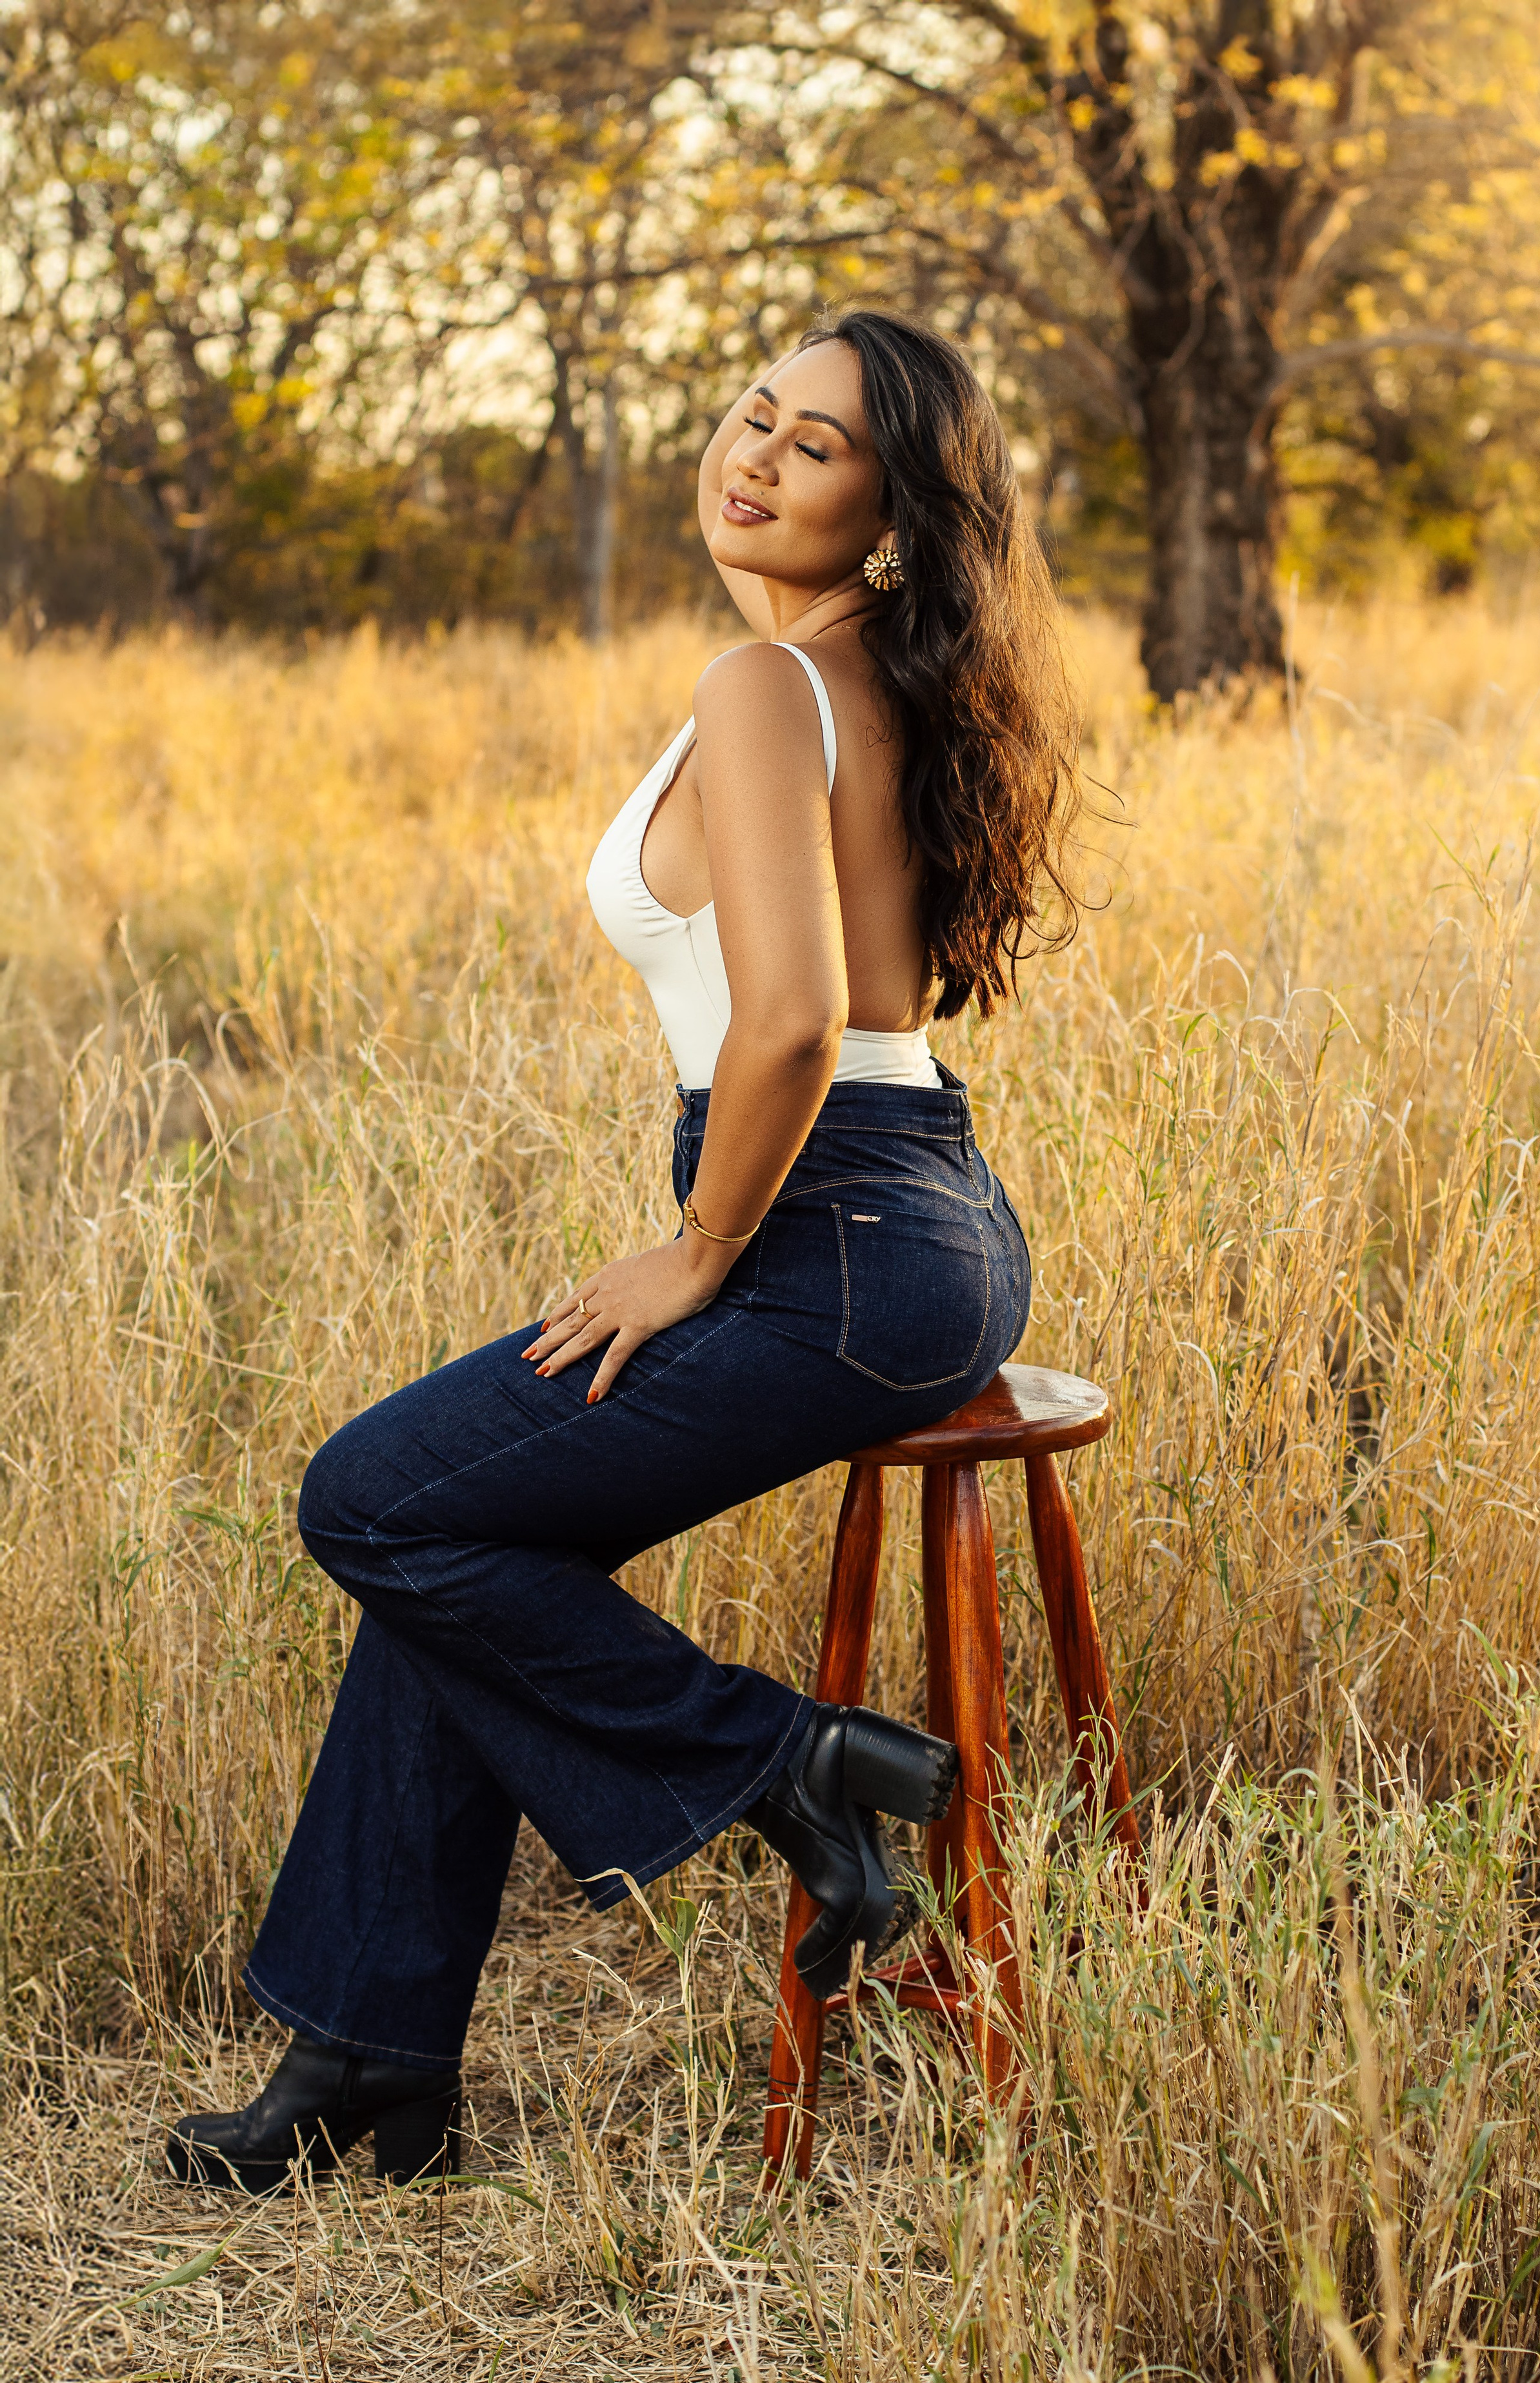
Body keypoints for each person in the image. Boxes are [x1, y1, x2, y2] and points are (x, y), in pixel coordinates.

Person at [167, 308, 1082, 2195]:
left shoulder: (774, 689)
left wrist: (694, 1244)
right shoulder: (857, 676)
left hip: (828, 1220)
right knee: (462, 1526)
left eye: (815, 445)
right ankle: (370, 2063)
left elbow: (789, 1024)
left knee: (377, 1502)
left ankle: (792, 1770)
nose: (754, 454)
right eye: (754, 414)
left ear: (893, 511)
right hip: (923, 1219)